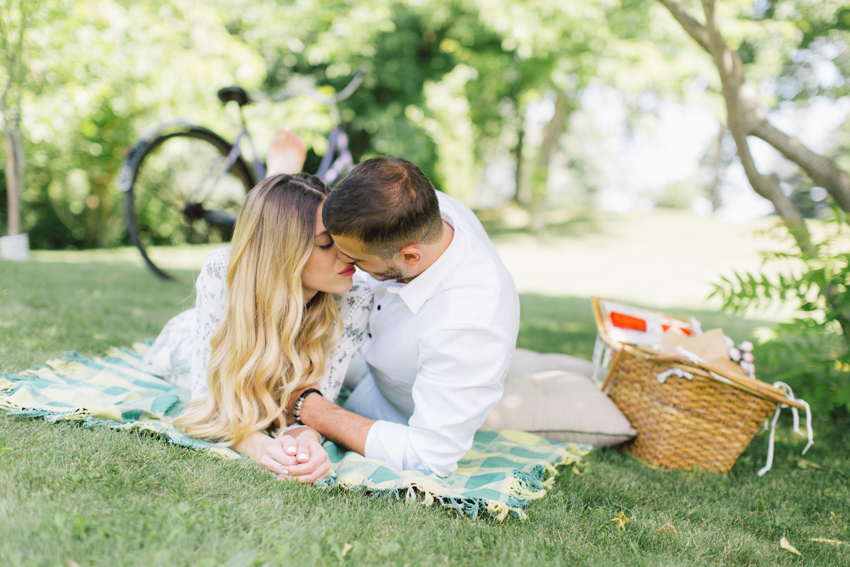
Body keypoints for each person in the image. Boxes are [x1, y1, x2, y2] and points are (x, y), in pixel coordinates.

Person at [285, 156, 520, 477]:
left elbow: (431, 455)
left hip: (393, 413)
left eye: (355, 259)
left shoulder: (469, 323)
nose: (338, 259)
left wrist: (310, 407)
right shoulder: (408, 207)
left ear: (410, 256)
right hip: (367, 351)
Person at [144, 169, 372, 484]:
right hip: (183, 343)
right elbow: (205, 404)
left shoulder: (355, 293)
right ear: (285, 253)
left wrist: (306, 442)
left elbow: (316, 403)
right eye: (325, 244)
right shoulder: (221, 272)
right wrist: (259, 446)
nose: (347, 253)